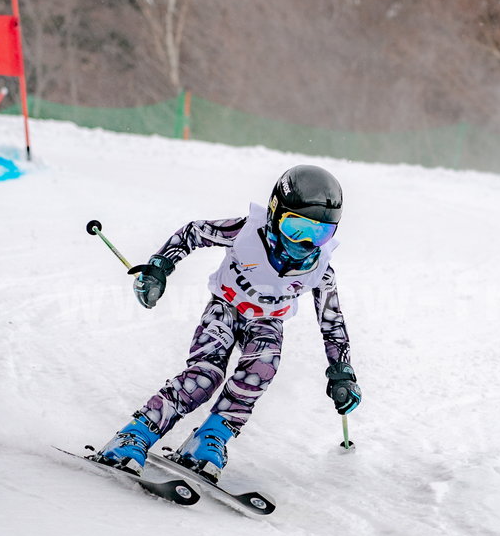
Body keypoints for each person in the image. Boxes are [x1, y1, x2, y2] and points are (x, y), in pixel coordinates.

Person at [93, 164, 361, 482]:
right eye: (296, 228)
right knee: (204, 376)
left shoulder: (321, 269)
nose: (304, 244)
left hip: (267, 322)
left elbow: (331, 321)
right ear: (275, 213)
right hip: (226, 308)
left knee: (262, 369)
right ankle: (134, 435)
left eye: (320, 234)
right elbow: (194, 233)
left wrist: (342, 372)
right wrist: (160, 267)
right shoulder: (248, 232)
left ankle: (209, 438)